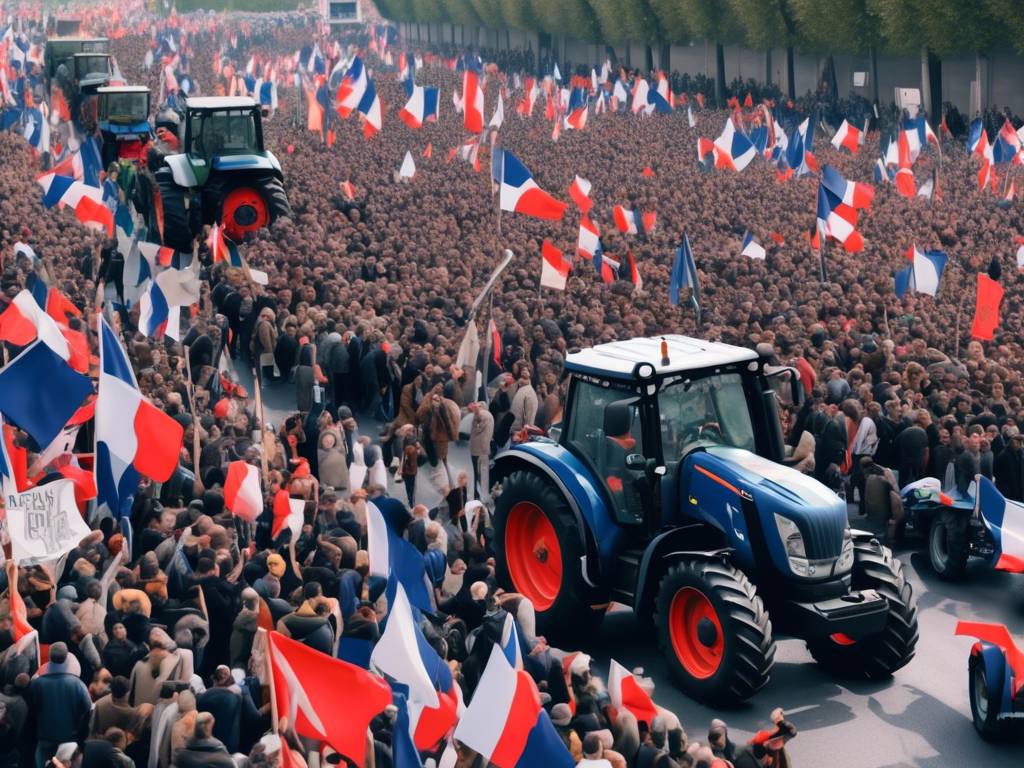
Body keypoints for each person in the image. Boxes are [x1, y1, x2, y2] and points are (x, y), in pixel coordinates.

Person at [29, 642, 92, 768]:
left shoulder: (37, 684)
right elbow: (87, 710)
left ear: (50, 657)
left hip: (44, 737)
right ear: (66, 657)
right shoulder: (77, 684)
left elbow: (31, 710)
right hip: (69, 740)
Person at [468, 401, 494, 500]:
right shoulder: (489, 415)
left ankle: (478, 496)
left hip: (477, 450)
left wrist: (475, 414)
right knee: (484, 474)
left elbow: (476, 429)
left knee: (476, 474)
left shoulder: (481, 415)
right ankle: (484, 496)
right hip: (485, 449)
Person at [994, 426, 1024, 501]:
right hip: (1008, 492)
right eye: (1017, 442)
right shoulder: (1004, 455)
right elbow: (998, 473)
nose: (1020, 445)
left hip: (1019, 491)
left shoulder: (1020, 453)